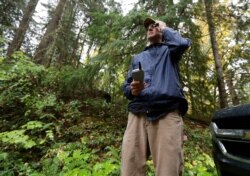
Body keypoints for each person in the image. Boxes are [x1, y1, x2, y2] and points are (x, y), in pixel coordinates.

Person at [121, 17, 192, 176]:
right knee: (129, 169)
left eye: (154, 25)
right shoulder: (138, 58)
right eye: (148, 27)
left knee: (168, 170)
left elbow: (183, 43)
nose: (150, 28)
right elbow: (125, 86)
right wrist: (132, 90)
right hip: (137, 114)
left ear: (161, 30)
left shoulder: (170, 51)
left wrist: (165, 27)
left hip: (166, 113)